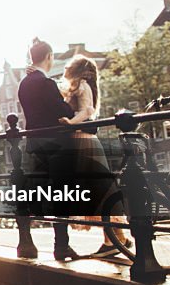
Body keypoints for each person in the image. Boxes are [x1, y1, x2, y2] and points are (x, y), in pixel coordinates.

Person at [58, 54, 130, 257]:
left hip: (83, 140)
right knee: (97, 190)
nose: (65, 68)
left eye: (69, 65)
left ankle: (114, 241)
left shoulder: (82, 85)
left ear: (78, 69)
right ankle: (118, 238)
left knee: (98, 190)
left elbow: (87, 110)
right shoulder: (78, 85)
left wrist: (71, 123)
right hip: (81, 140)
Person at [17, 38, 77, 261]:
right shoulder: (47, 84)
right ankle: (61, 246)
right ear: (49, 57)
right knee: (61, 194)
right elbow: (65, 111)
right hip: (56, 145)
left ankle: (26, 242)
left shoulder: (24, 83)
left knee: (39, 191)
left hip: (35, 144)